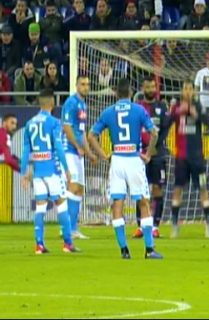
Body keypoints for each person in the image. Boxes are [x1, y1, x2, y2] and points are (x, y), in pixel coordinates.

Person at [88, 78, 162, 260]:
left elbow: (91, 135)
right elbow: (154, 133)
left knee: (117, 204)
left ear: (116, 94)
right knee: (143, 202)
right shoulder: (139, 110)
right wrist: (148, 154)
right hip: (134, 160)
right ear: (130, 93)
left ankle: (124, 250)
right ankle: (149, 249)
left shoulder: (108, 112)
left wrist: (104, 155)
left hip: (117, 161)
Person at [20, 89, 79, 254]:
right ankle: (68, 243)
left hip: (37, 173)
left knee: (40, 207)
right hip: (52, 170)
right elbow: (58, 147)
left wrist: (24, 173)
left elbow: (26, 151)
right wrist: (67, 169)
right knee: (62, 204)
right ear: (52, 102)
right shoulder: (54, 122)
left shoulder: (30, 124)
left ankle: (39, 244)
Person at [169, 80, 209, 239]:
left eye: (190, 89)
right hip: (181, 158)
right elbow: (167, 122)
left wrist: (196, 115)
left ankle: (208, 224)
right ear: (181, 91)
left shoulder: (198, 106)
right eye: (185, 89)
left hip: (197, 158)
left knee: (203, 188)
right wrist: (177, 112)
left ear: (193, 91)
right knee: (178, 189)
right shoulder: (176, 107)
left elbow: (208, 123)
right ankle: (175, 225)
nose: (188, 91)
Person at [133, 76, 170, 239]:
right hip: (141, 155)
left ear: (156, 88)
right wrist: (142, 149)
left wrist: (155, 146)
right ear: (143, 88)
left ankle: (155, 226)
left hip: (158, 154)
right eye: (147, 87)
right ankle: (141, 225)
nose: (150, 90)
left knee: (157, 189)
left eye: (152, 87)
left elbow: (165, 130)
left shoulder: (162, 107)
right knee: (140, 190)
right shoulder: (138, 108)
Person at [61, 75, 96, 240]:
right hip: (69, 150)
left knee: (80, 189)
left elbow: (81, 132)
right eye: (82, 84)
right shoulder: (71, 103)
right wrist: (77, 146)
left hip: (78, 152)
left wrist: (89, 153)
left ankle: (72, 228)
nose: (86, 87)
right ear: (76, 85)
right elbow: (67, 127)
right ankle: (67, 228)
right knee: (73, 187)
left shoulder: (83, 105)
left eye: (88, 84)